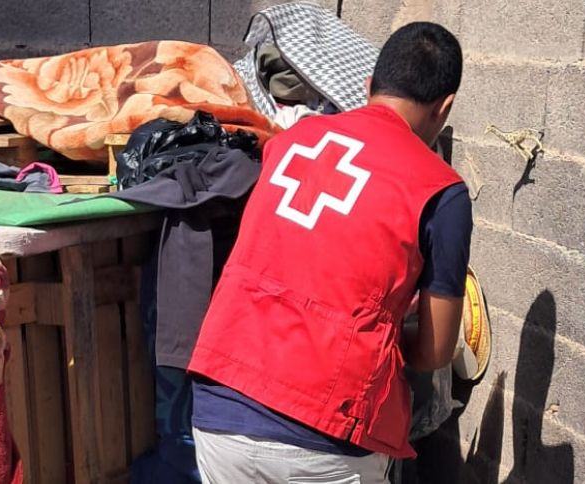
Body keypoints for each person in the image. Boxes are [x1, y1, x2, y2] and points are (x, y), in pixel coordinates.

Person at [186, 22, 471, 483]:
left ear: (368, 86)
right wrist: (384, 338)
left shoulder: (288, 143)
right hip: (325, 432)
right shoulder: (441, 190)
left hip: (221, 407)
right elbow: (435, 351)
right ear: (445, 107)